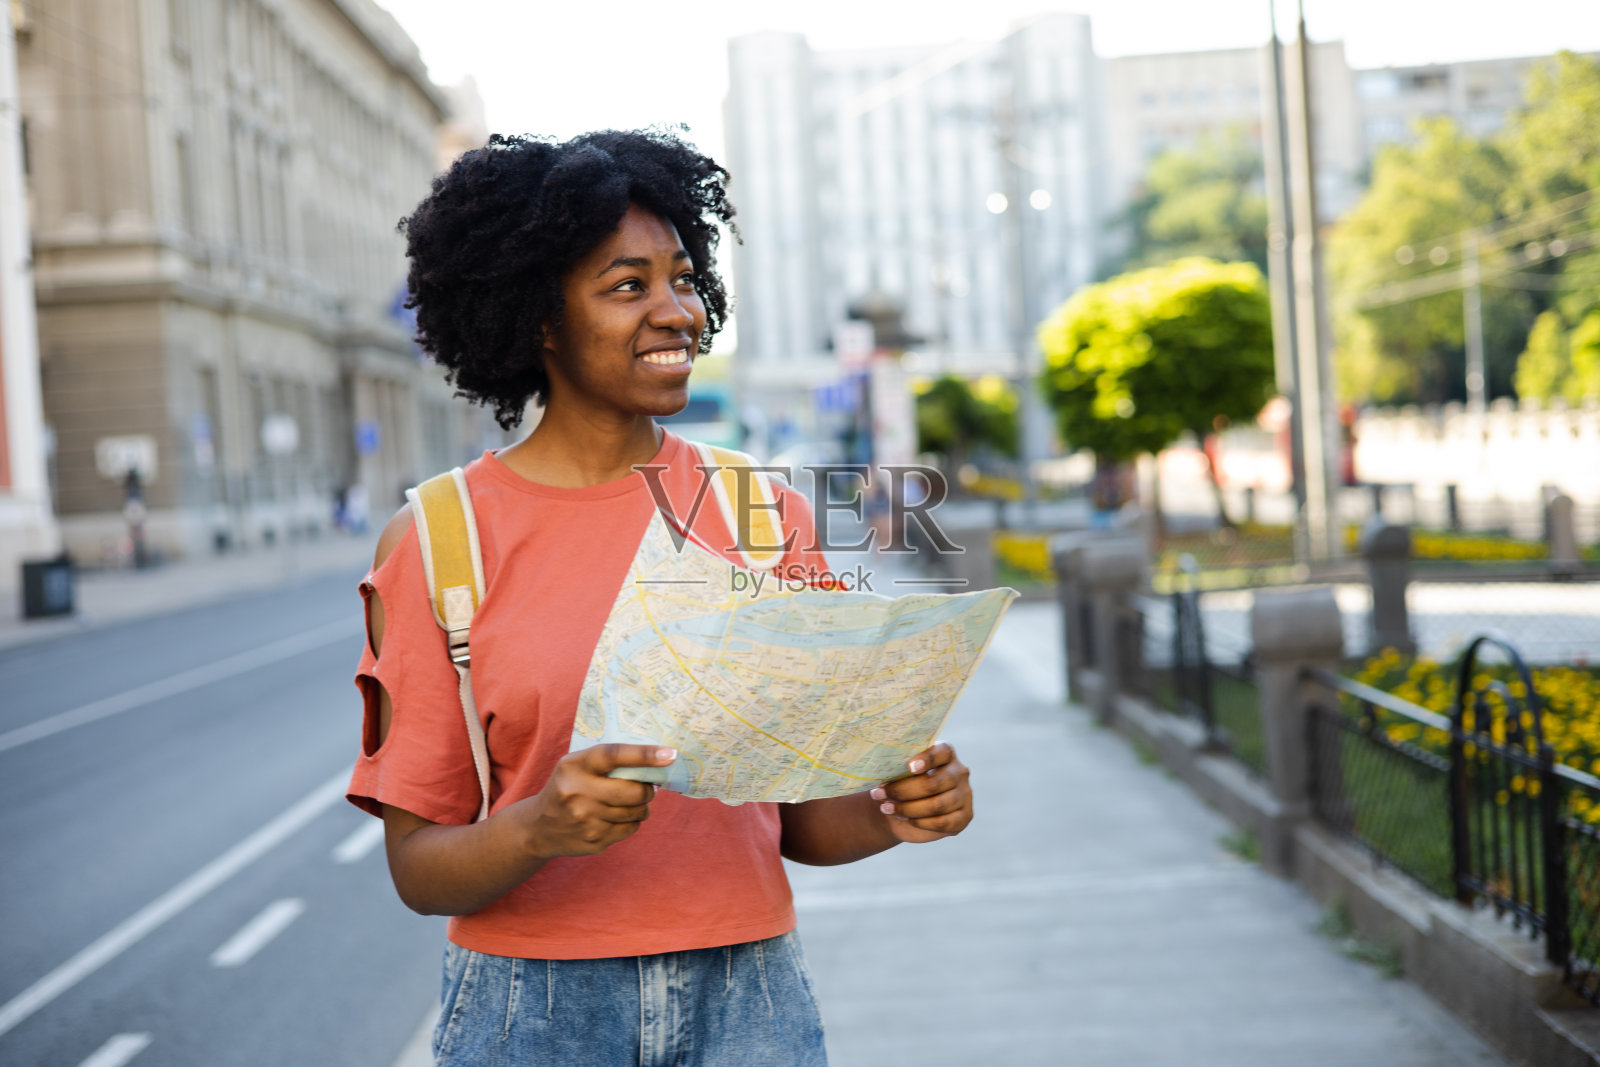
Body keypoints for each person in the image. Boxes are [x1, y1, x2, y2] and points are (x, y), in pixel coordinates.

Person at [347, 130, 976, 1066]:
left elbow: (801, 819)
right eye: (628, 285)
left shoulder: (762, 513)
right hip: (532, 1014)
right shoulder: (440, 538)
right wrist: (540, 826)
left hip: (749, 997)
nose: (677, 310)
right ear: (541, 319)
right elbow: (420, 868)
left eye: (683, 278)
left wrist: (897, 808)